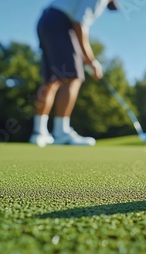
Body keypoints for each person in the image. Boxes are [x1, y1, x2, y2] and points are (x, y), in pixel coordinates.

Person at [30, 0, 119, 147]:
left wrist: (84, 58)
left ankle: (39, 133)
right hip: (60, 24)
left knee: (51, 81)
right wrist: (91, 61)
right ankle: (61, 133)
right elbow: (79, 23)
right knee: (73, 77)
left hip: (46, 21)